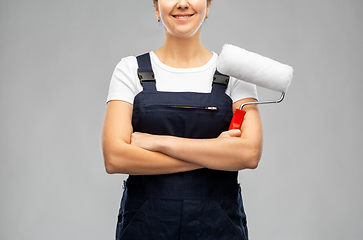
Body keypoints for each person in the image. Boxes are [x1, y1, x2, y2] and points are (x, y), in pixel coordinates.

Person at [102, 0, 263, 239]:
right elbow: (114, 157)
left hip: (218, 229)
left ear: (208, 5)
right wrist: (216, 152)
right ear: (156, 7)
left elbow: (249, 154)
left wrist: (160, 143)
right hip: (145, 229)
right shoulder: (129, 70)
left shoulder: (236, 74)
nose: (182, 3)